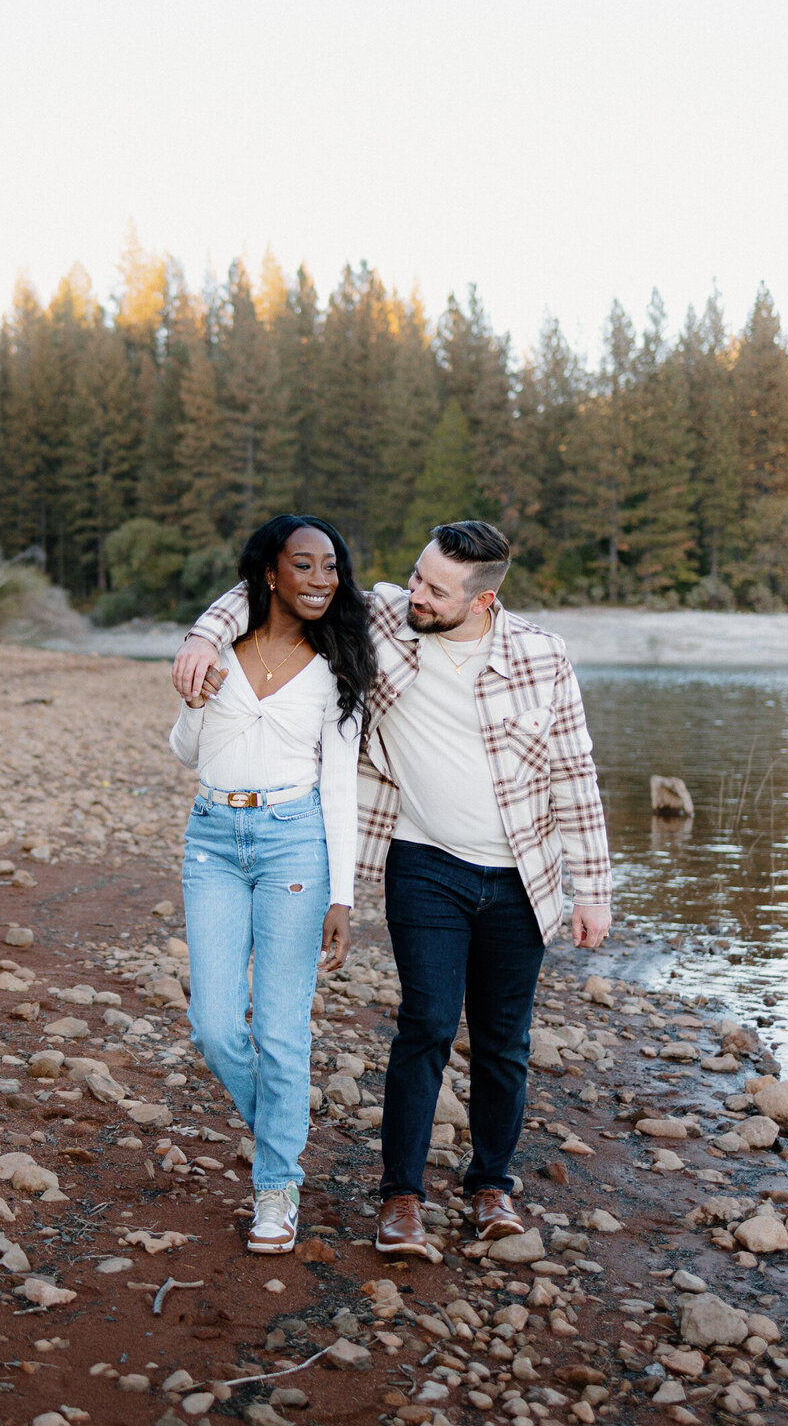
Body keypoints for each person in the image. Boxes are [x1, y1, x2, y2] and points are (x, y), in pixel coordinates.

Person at [173, 519, 611, 1258]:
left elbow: (575, 771)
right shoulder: (387, 618)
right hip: (424, 862)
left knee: (504, 1043)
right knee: (427, 1027)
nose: (412, 593)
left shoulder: (542, 656)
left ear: (478, 602)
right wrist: (199, 637)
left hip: (522, 875)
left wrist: (593, 889)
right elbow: (270, 584)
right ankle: (400, 1198)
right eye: (414, 575)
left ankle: (490, 1187)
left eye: (433, 589)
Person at [168, 514, 375, 1255]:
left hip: (296, 845)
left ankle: (276, 1186)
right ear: (270, 574)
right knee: (216, 1025)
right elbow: (186, 750)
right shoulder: (221, 644)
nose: (322, 579)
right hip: (213, 841)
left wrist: (344, 897)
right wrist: (197, 702)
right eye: (306, 565)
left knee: (283, 1029)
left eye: (331, 567)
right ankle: (285, 1134)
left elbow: (342, 789)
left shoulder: (336, 664)